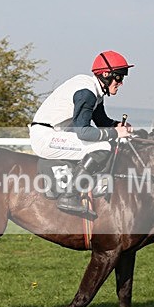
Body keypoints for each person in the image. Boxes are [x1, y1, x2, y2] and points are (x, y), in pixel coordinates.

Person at [29, 50, 134, 218]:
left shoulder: (95, 90)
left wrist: (117, 126)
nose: (121, 83)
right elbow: (83, 132)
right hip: (46, 137)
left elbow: (101, 122)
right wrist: (115, 132)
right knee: (104, 146)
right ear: (106, 74)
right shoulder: (87, 93)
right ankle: (69, 196)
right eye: (119, 77)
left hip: (55, 134)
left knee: (107, 141)